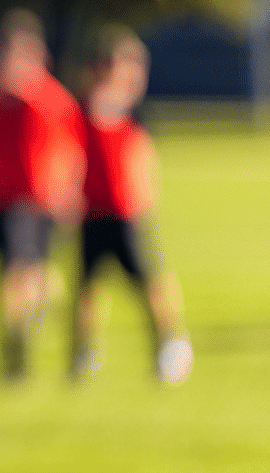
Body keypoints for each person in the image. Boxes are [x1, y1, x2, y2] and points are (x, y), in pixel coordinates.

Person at [70, 26, 191, 385]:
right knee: (87, 286)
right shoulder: (84, 105)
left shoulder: (135, 112)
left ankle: (169, 342)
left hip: (126, 212)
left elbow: (143, 159)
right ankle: (83, 351)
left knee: (149, 283)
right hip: (92, 211)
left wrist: (146, 198)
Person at [0, 9, 84, 380]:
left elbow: (73, 150)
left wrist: (69, 193)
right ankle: (30, 314)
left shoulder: (50, 100)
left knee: (18, 277)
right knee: (13, 276)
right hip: (0, 201)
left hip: (38, 203)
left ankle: (15, 343)